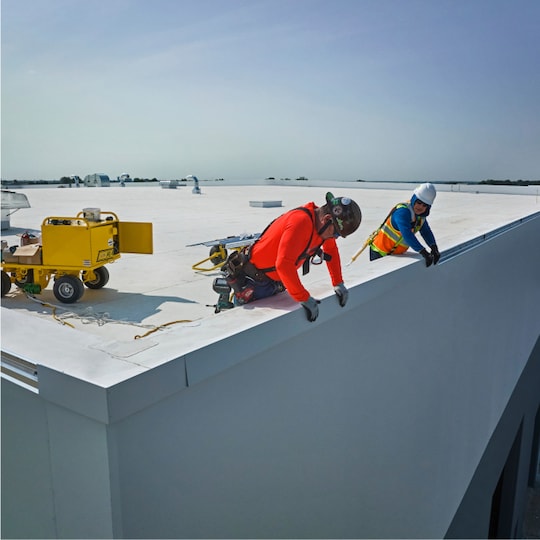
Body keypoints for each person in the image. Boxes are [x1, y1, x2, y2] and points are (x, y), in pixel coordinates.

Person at [217, 192, 362, 322]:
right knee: (247, 328)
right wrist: (304, 297)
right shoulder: (300, 222)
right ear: (327, 218)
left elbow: (331, 252)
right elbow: (284, 265)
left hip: (276, 281)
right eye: (336, 233)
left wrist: (338, 283)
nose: (334, 238)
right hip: (254, 282)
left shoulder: (323, 227)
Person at [369, 182, 440, 266]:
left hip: (396, 255)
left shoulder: (420, 217)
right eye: (419, 202)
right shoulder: (402, 212)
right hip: (379, 252)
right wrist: (423, 252)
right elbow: (407, 234)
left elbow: (426, 232)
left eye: (424, 205)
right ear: (414, 199)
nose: (420, 207)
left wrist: (434, 247)